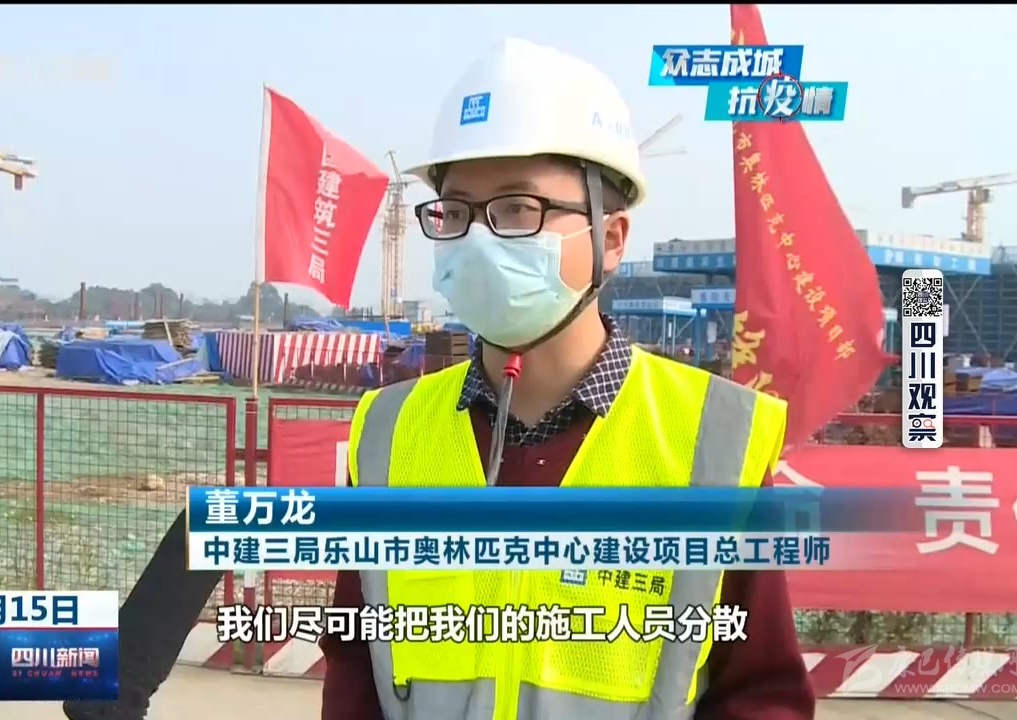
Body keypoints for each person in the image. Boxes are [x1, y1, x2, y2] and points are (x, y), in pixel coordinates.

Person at [319, 38, 816, 720]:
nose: (478, 241)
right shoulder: (388, 435)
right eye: (455, 212)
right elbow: (357, 662)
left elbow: (760, 695)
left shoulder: (712, 444)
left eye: (517, 208)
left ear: (611, 237)